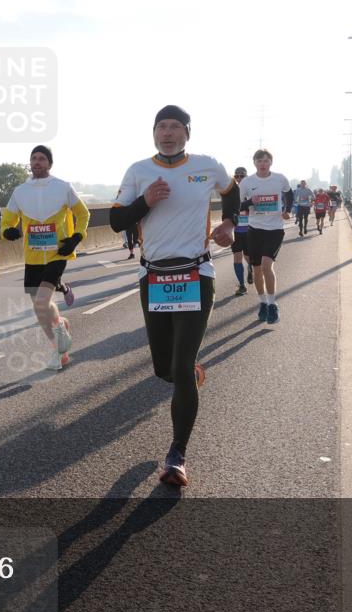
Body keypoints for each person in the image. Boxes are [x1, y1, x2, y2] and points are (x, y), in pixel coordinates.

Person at [110, 105, 238, 488]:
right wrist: (145, 201)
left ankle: (177, 456)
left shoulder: (207, 166)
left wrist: (229, 223)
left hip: (197, 273)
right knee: (164, 369)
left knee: (181, 366)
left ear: (187, 133)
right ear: (153, 133)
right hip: (154, 278)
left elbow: (232, 194)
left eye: (175, 127)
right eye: (161, 127)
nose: (167, 133)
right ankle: (189, 374)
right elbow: (117, 221)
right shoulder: (139, 171)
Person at [1, 145, 89, 371]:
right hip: (32, 257)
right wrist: (7, 231)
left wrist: (76, 237)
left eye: (42, 159)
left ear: (49, 163)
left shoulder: (63, 187)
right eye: (34, 159)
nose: (37, 162)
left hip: (56, 253)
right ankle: (59, 343)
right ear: (30, 164)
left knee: (41, 302)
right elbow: (7, 221)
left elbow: (83, 214)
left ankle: (59, 341)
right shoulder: (20, 192)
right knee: (40, 306)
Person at [238, 149, 292, 324]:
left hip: (275, 229)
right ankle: (262, 302)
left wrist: (287, 210)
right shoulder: (246, 182)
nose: (263, 163)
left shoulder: (280, 178)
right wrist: (250, 202)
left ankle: (272, 304)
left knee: (267, 266)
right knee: (257, 270)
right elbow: (238, 205)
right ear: (254, 163)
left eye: (266, 160)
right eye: (259, 160)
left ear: (271, 163)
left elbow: (289, 193)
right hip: (254, 229)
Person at [229, 166, 252, 296]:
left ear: (246, 176)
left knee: (248, 257)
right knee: (237, 258)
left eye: (241, 176)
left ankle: (251, 268)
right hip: (236, 230)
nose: (238, 178)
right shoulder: (231, 192)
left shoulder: (251, 191)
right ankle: (242, 285)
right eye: (236, 176)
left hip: (249, 230)